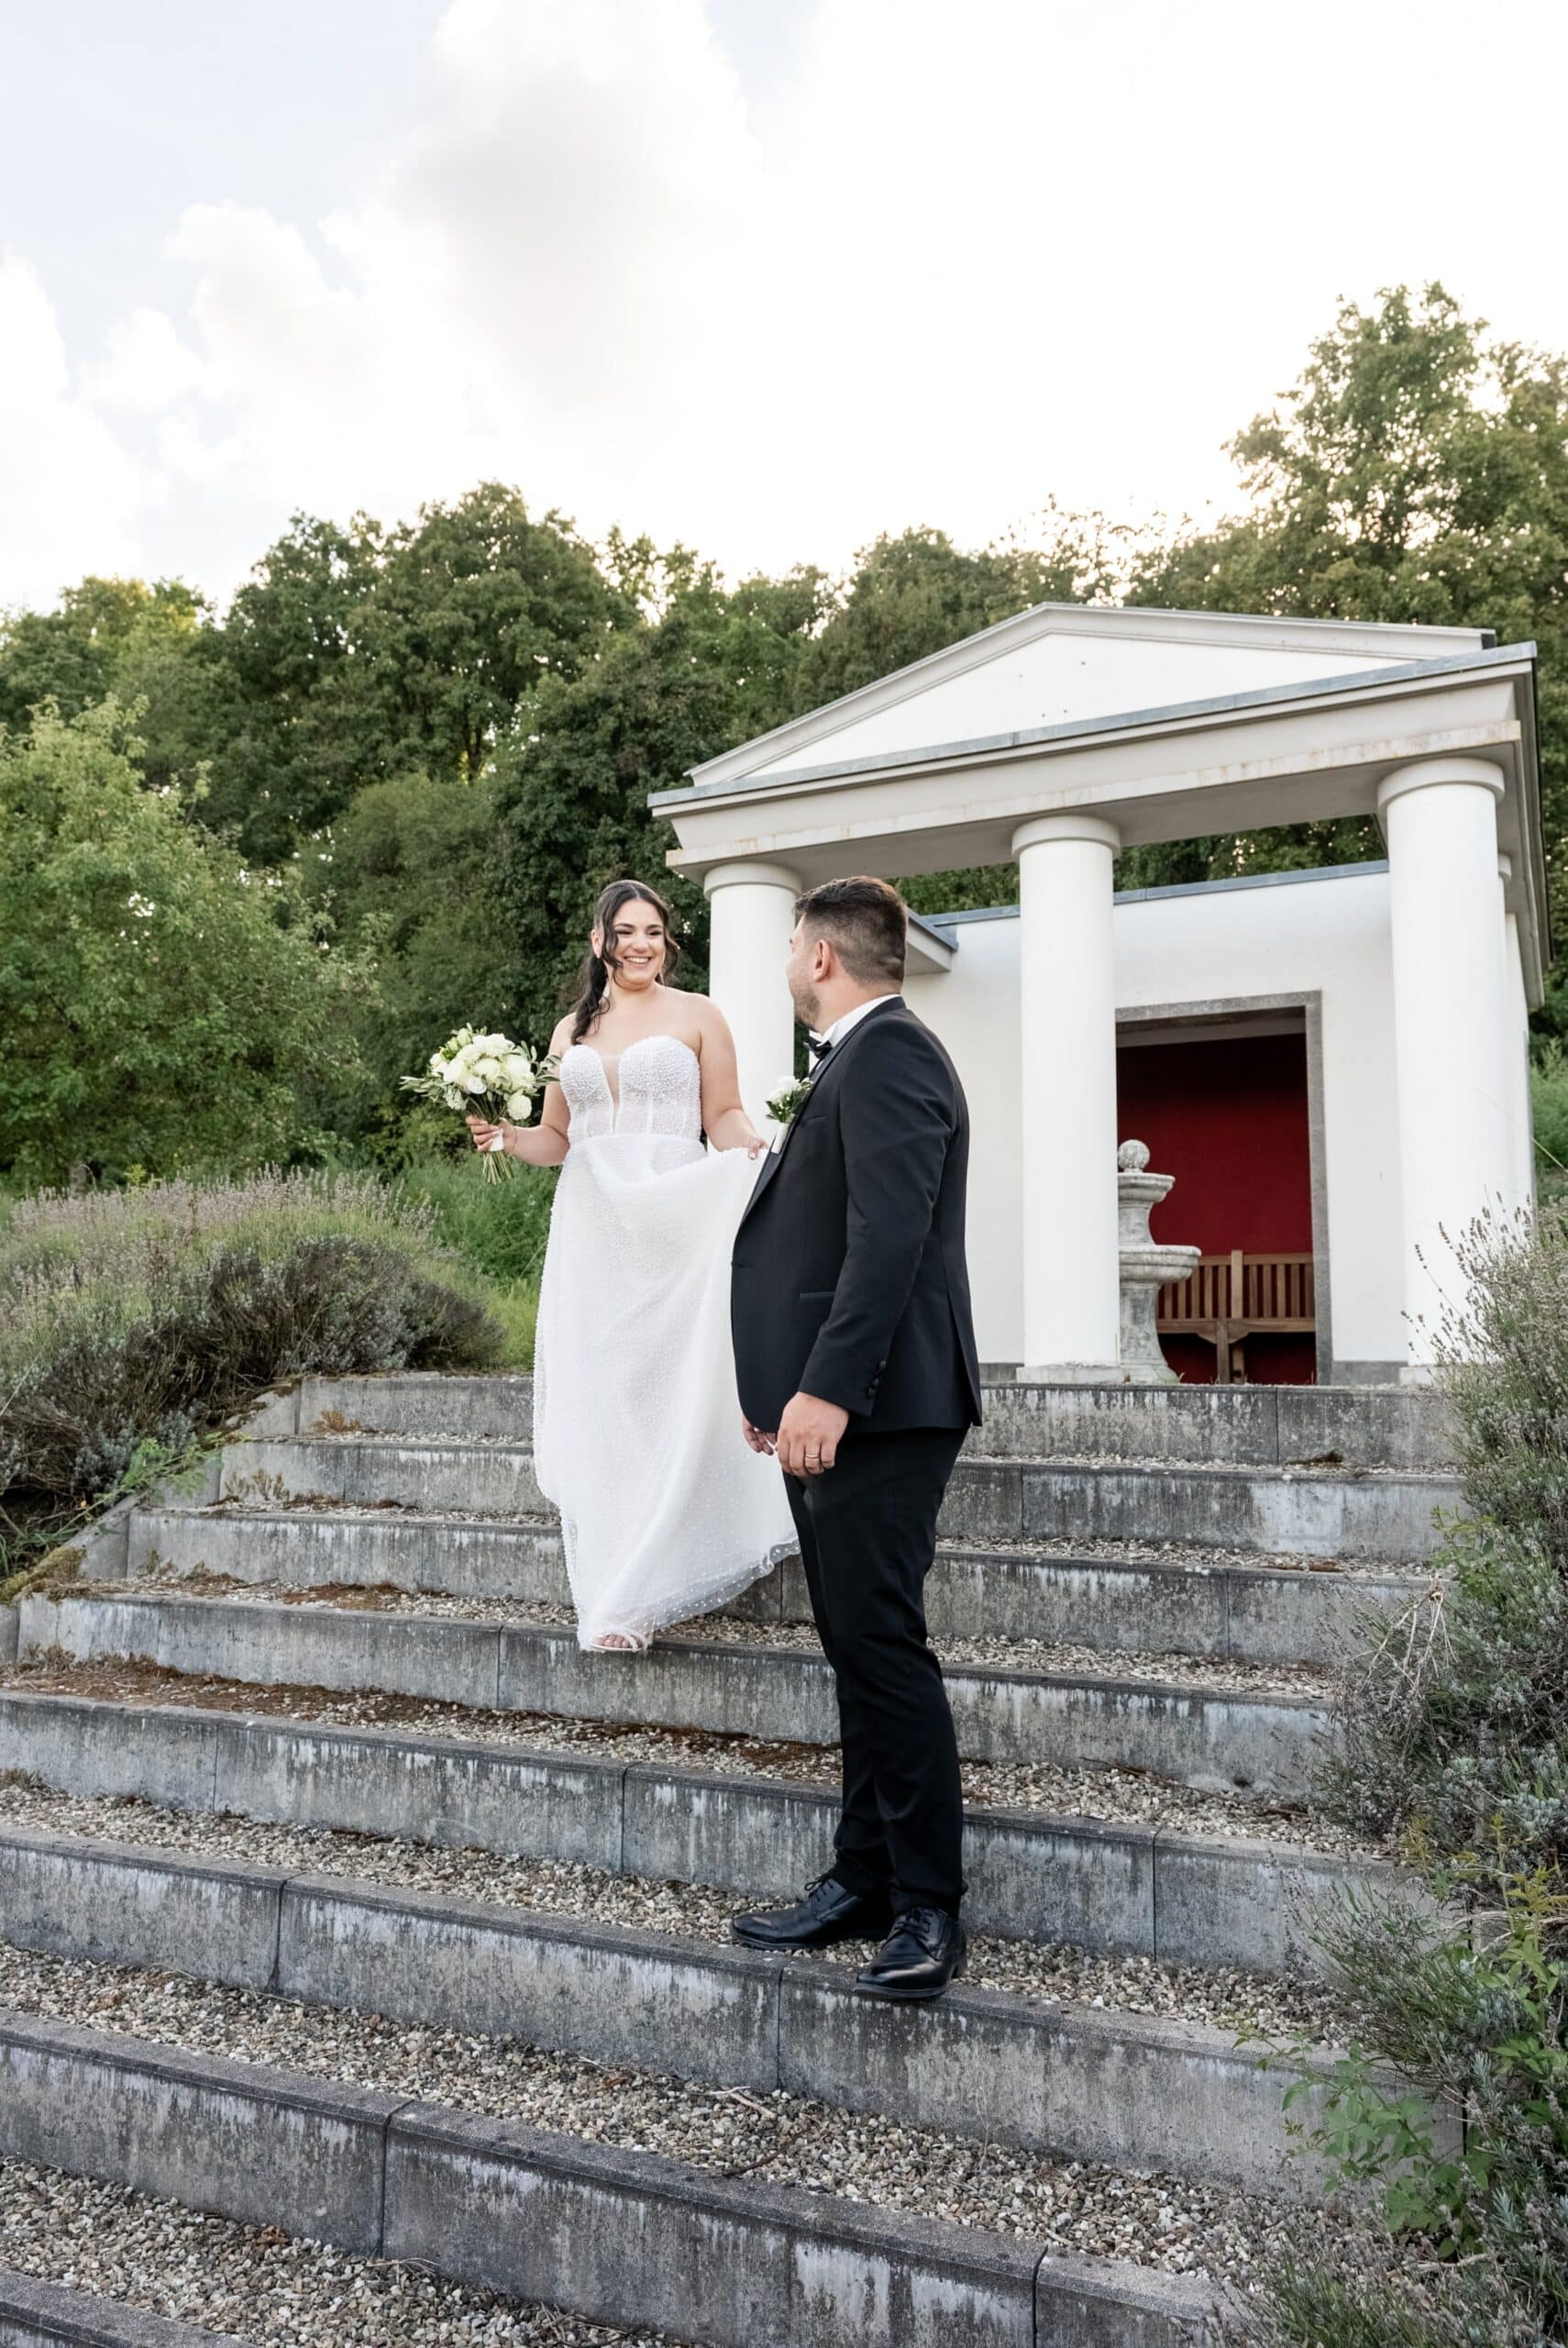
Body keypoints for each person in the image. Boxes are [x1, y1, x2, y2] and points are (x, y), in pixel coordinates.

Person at [729, 876, 982, 2005]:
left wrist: (828, 1390)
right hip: (843, 1403)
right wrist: (786, 1389)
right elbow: (826, 1242)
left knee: (881, 1643)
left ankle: (928, 1902)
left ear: (823, 956)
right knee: (854, 1646)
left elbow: (890, 1241)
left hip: (887, 1405)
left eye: (794, 943)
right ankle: (864, 1877)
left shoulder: (892, 1055)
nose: (790, 960)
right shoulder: (859, 1058)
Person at [469, 878, 796, 1650]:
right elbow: (559, 1138)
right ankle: (623, 1584)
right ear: (599, 941)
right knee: (609, 1394)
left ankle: (662, 1560)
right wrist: (506, 1138)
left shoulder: (699, 1014)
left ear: (666, 940)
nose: (641, 944)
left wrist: (754, 1147)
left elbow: (722, 1114)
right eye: (625, 932)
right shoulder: (570, 1031)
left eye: (653, 931)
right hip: (595, 1222)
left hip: (674, 1212)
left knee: (668, 1385)